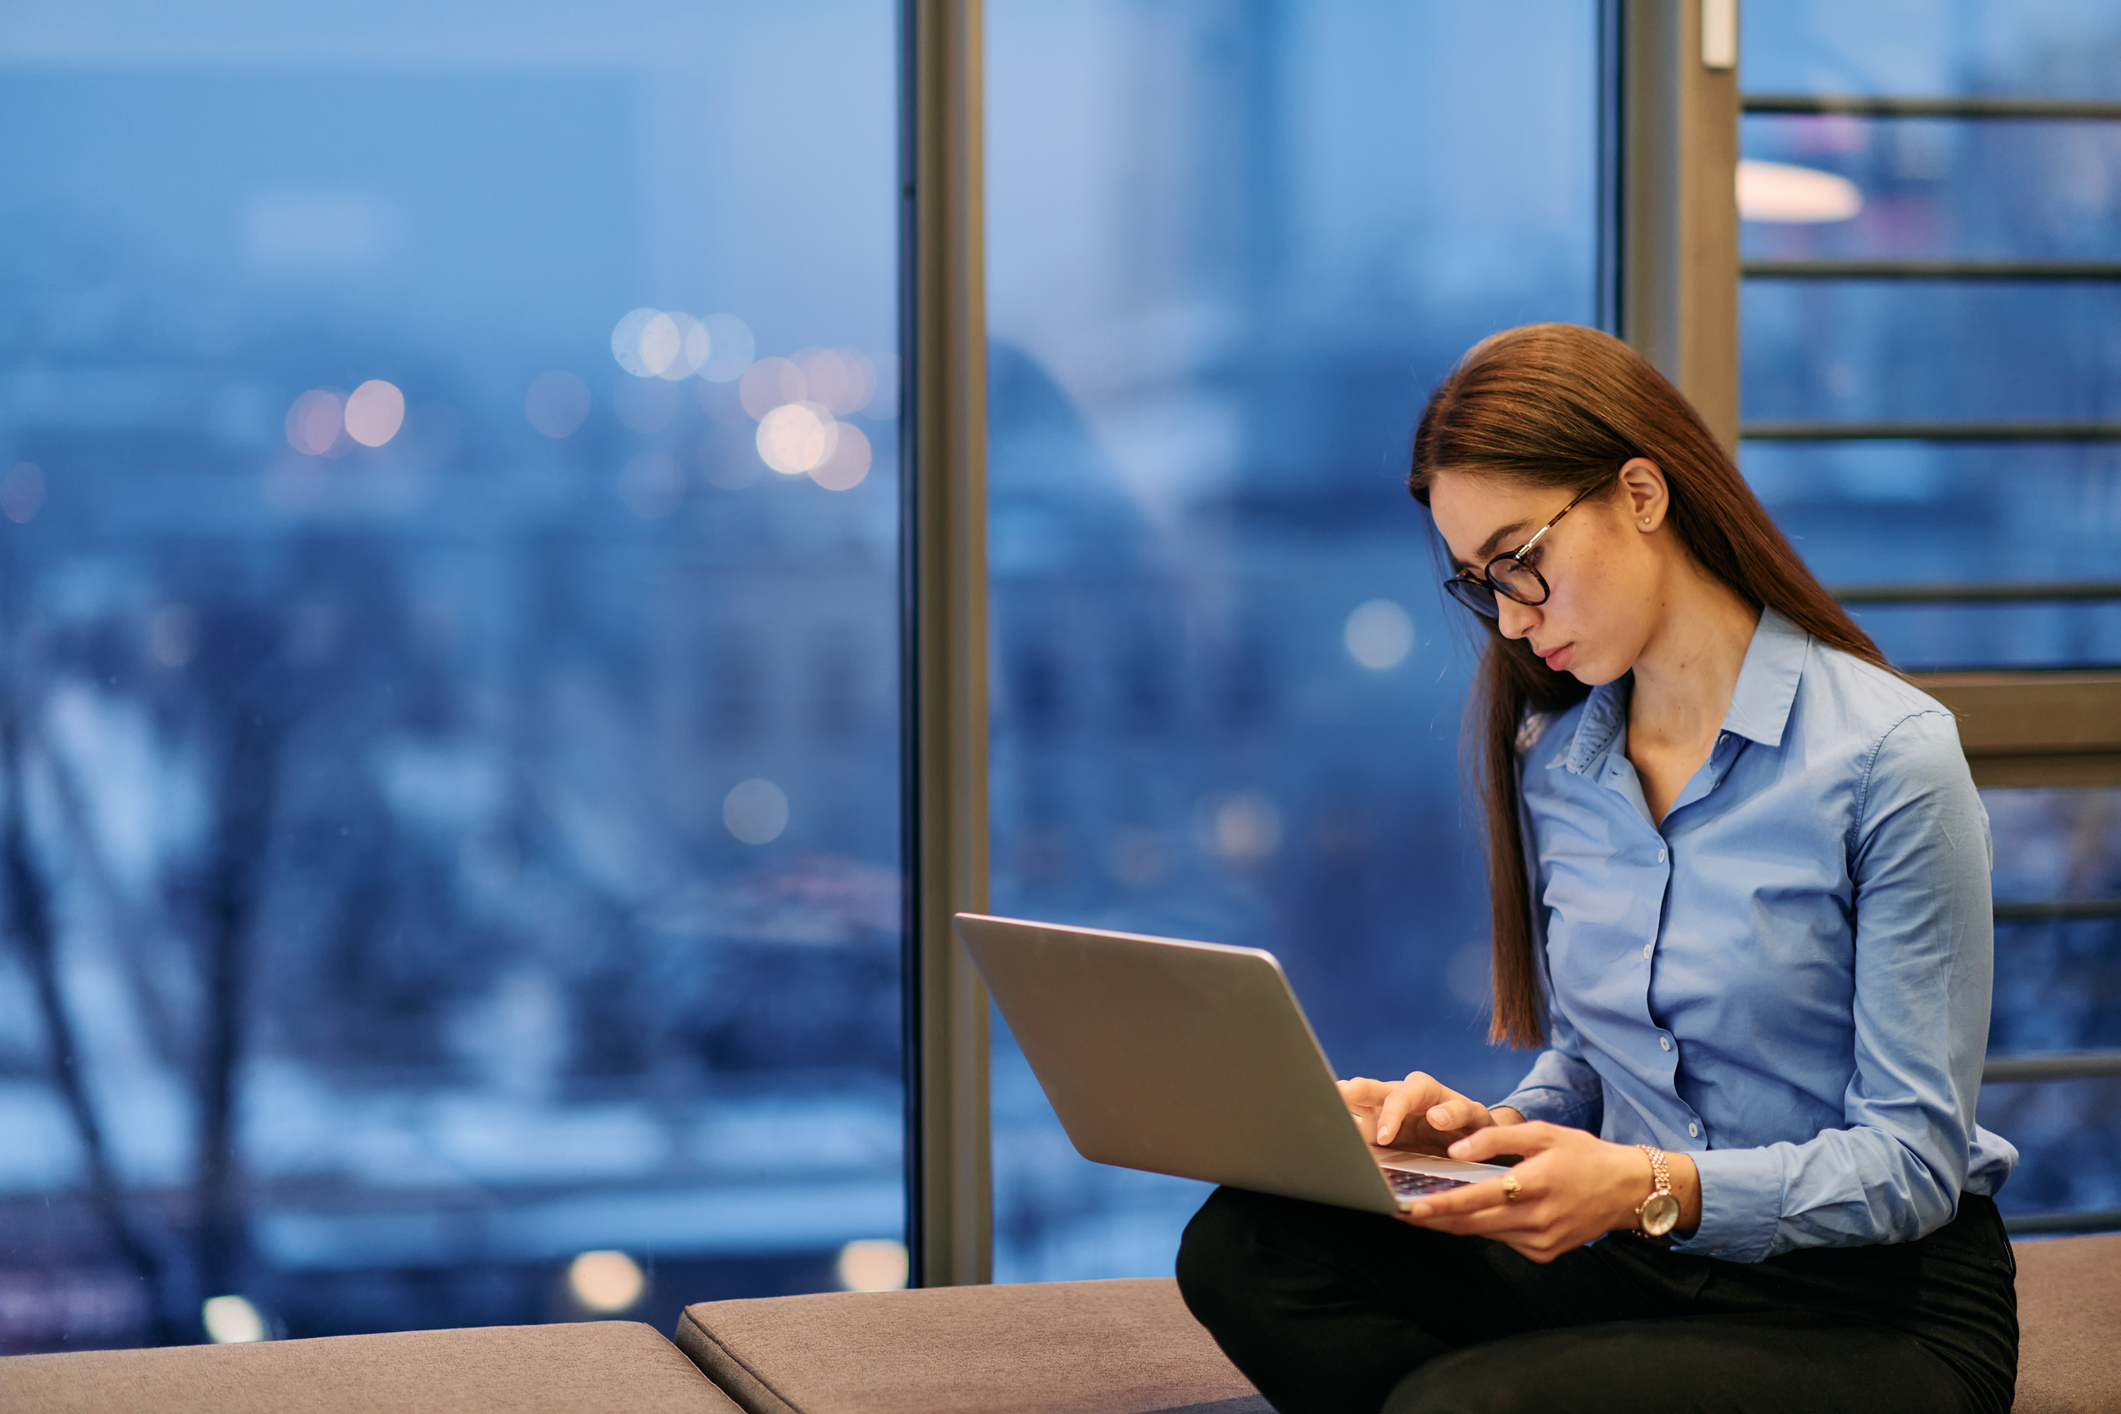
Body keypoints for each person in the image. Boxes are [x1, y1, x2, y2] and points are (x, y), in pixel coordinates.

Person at [1175, 324, 2018, 1414]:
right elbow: (1595, 1063)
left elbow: (1911, 1163)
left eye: (1522, 560)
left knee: (1466, 1403)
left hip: (1873, 1307)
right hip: (1649, 1261)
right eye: (1483, 583)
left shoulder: (1886, 759)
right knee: (1246, 1244)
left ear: (1640, 493)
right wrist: (1477, 1137)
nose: (1515, 621)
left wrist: (1642, 1187)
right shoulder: (1560, 762)